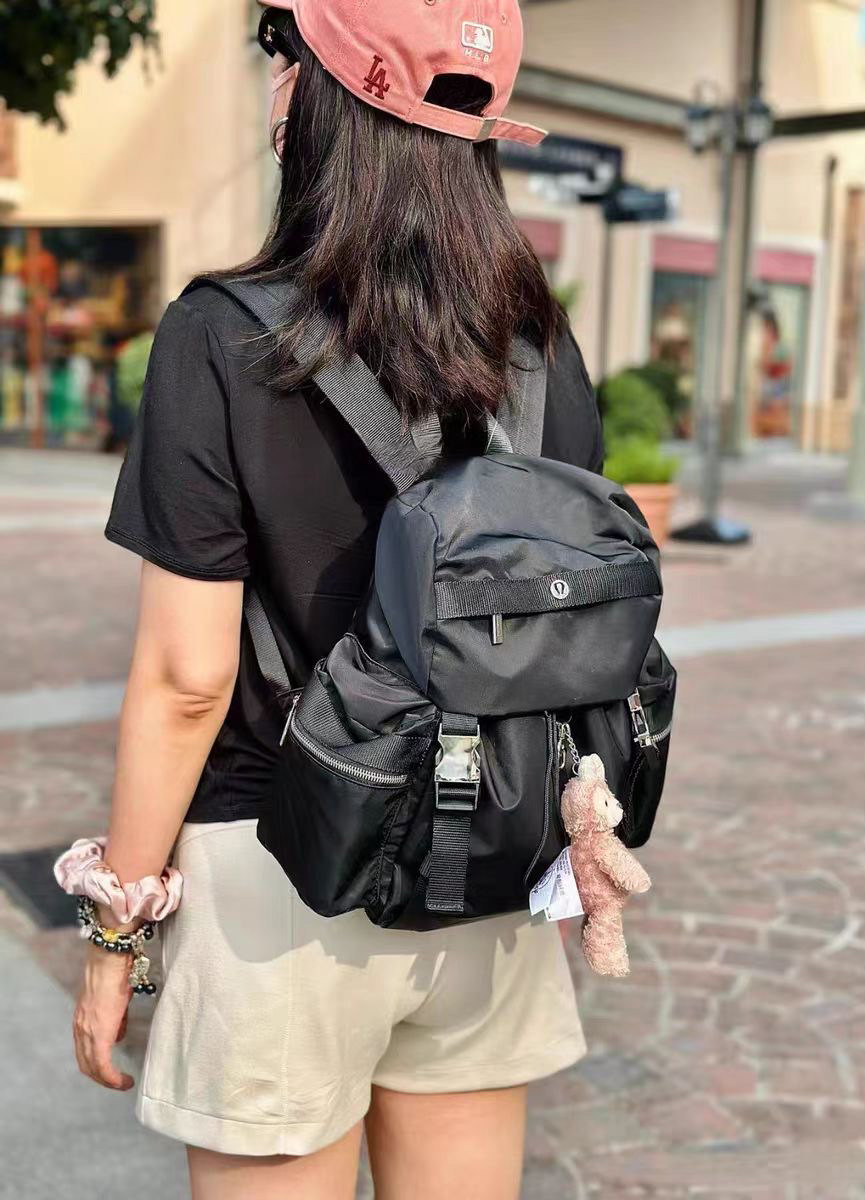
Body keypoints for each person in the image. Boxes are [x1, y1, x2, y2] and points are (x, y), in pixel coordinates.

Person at [64, 3, 603, 1197]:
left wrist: (115, 931)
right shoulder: (539, 349)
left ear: (330, 96)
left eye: (283, 52)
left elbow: (187, 679)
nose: (274, 80)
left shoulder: (224, 335)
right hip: (484, 862)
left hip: (280, 875)